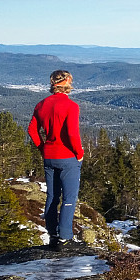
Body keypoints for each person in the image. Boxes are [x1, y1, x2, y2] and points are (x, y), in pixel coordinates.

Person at [28, 70, 84, 251]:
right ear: (67, 82)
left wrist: (42, 147)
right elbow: (72, 133)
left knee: (52, 196)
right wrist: (79, 152)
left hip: (49, 156)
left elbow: (32, 130)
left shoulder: (41, 105)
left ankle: (52, 235)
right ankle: (65, 238)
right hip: (68, 156)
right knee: (69, 197)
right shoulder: (71, 106)